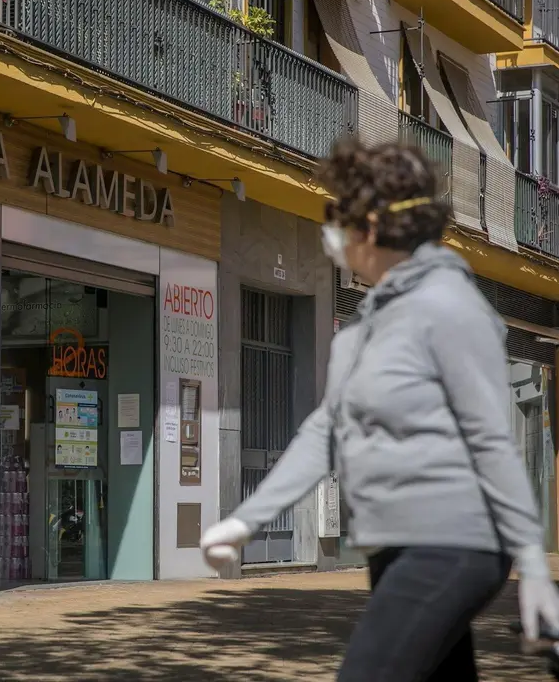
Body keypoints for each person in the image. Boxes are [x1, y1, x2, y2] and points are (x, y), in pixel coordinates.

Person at [200, 139, 559, 681]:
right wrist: (245, 520)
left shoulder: (449, 307)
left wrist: (533, 565)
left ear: (369, 226)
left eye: (337, 218)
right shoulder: (364, 329)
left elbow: (490, 438)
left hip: (455, 543)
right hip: (393, 543)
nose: (332, 236)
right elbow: (324, 430)